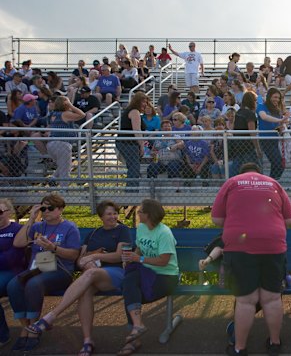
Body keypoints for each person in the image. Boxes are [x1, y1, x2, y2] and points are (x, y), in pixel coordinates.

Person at [25, 200, 132, 356]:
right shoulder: (93, 233)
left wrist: (95, 256)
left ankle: (50, 317)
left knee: (89, 274)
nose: (113, 216)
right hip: (93, 274)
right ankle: (87, 341)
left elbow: (118, 256)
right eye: (109, 214)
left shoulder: (123, 230)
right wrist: (87, 262)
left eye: (115, 213)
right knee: (85, 290)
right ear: (101, 216)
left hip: (115, 273)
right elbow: (80, 259)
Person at [211, 162, 291, 356]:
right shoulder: (274, 183)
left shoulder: (232, 182)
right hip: (273, 245)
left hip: (240, 247)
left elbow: (216, 219)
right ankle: (275, 344)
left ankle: (240, 348)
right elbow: (290, 220)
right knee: (272, 298)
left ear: (242, 173)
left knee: (246, 300)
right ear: (259, 173)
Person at [8, 194, 81, 352]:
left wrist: (53, 248)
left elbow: (74, 255)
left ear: (60, 209)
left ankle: (34, 328)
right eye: (43, 208)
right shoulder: (37, 227)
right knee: (13, 285)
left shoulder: (69, 227)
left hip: (60, 271)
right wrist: (32, 219)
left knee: (34, 284)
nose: (46, 211)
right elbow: (18, 243)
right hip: (35, 269)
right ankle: (25, 327)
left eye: (50, 208)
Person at [117, 199, 179, 356]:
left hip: (166, 277)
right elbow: (139, 247)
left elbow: (164, 261)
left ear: (149, 215)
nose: (138, 213)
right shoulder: (141, 228)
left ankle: (134, 339)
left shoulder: (164, 233)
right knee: (129, 283)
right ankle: (137, 327)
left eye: (141, 211)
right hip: (147, 272)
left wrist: (140, 259)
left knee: (130, 290)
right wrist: (133, 256)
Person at [0, 199, 26, 348]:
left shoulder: (17, 229)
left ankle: (2, 336)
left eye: (0, 212)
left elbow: (14, 257)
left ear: (9, 212)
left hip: (13, 271)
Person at [46, 96, 85, 187]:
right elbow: (82, 115)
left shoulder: (52, 114)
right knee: (65, 169)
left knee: (62, 164)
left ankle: (54, 178)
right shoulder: (65, 114)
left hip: (51, 144)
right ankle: (64, 190)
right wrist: (71, 106)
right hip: (62, 143)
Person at [116, 92, 148, 189]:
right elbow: (137, 130)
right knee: (134, 168)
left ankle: (131, 191)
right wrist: (142, 146)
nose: (145, 104)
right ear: (137, 101)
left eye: (146, 102)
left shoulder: (131, 111)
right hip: (128, 143)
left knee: (133, 167)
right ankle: (131, 192)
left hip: (127, 143)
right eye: (143, 102)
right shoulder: (134, 112)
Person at [257, 88, 289, 180]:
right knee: (276, 162)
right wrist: (280, 120)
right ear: (269, 97)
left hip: (275, 140)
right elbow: (264, 117)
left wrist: (282, 125)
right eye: (275, 97)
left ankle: (272, 182)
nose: (277, 100)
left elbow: (278, 125)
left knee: (279, 164)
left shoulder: (277, 110)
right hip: (265, 139)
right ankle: (271, 182)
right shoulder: (261, 106)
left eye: (278, 98)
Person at [229, 92, 261, 176]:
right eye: (255, 101)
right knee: (256, 167)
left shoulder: (239, 112)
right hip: (248, 145)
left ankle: (231, 181)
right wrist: (257, 149)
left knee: (236, 166)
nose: (256, 103)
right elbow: (252, 133)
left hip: (238, 144)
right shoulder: (250, 114)